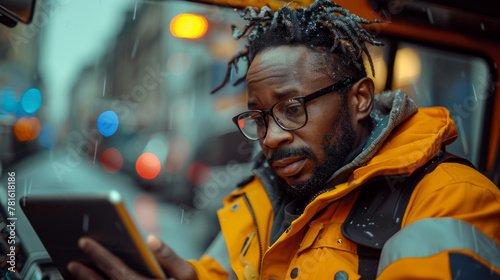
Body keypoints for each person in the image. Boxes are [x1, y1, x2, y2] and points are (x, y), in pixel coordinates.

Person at [68, 0, 500, 279]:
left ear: (360, 99)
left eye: (293, 109)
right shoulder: (258, 203)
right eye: (258, 116)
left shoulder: (450, 202)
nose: (270, 138)